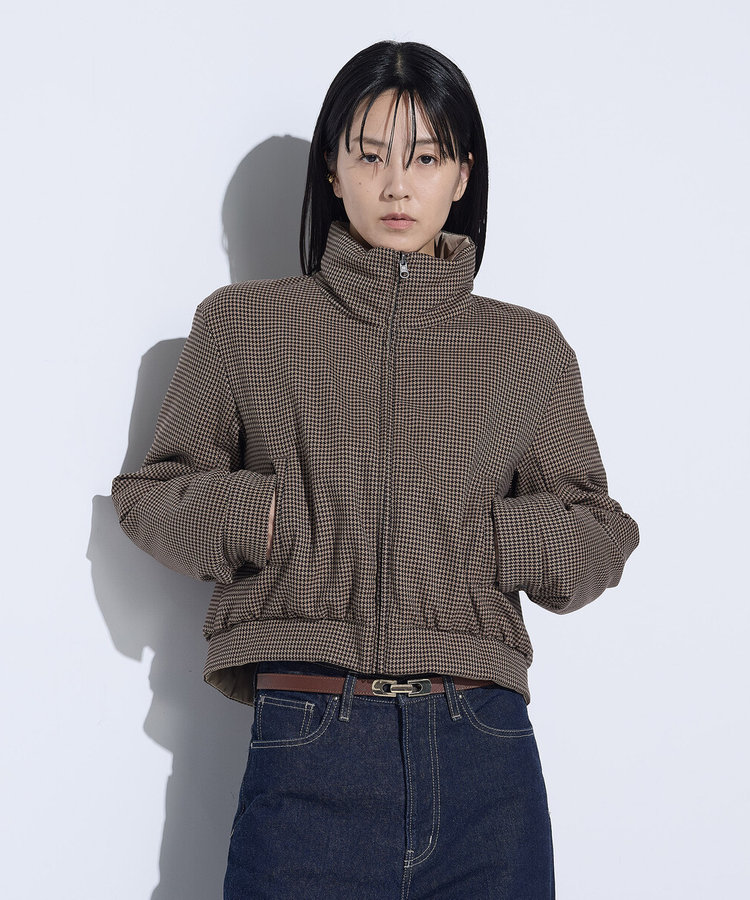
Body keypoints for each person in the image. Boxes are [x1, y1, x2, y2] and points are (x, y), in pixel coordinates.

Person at [111, 40, 639, 900]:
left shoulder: (525, 348)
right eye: (370, 156)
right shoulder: (244, 328)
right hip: (308, 740)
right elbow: (152, 497)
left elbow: (600, 534)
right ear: (333, 169)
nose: (398, 185)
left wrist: (492, 541)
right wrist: (275, 520)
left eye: (426, 158)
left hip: (484, 751)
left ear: (462, 175)